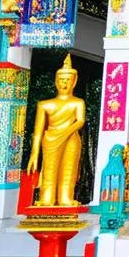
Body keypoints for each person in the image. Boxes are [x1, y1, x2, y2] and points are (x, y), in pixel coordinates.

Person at [26, 55, 86, 207]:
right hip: (51, 139)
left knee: (69, 168)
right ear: (55, 81)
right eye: (61, 80)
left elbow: (80, 121)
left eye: (67, 80)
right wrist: (34, 153)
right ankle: (47, 198)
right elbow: (38, 130)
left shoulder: (78, 102)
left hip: (71, 138)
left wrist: (66, 132)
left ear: (74, 82)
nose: (64, 83)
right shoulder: (45, 105)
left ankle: (66, 197)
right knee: (49, 169)